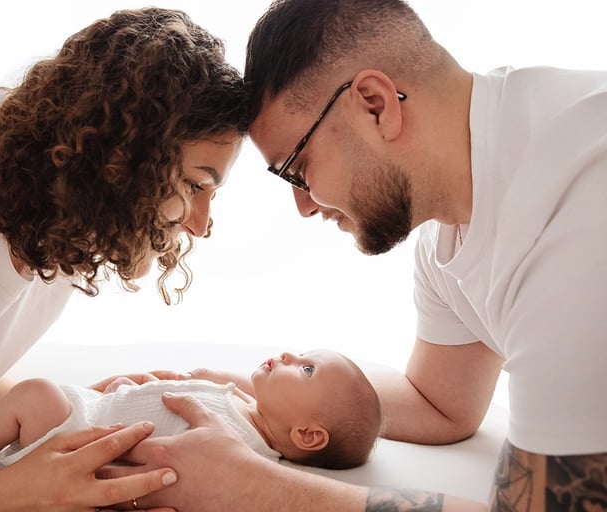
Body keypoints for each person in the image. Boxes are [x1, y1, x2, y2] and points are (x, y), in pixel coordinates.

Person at [103, 0, 607, 511]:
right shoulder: (450, 233)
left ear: (374, 104)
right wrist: (233, 395)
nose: (303, 205)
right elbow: (441, 405)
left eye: (297, 169)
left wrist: (250, 485)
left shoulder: (579, 205)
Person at [0, 7, 247, 510]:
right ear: (121, 161)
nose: (201, 224)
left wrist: (80, 412)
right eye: (195, 185)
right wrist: (10, 491)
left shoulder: (60, 235)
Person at [0, 349, 380, 472]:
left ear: (308, 435)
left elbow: (161, 452)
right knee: (36, 394)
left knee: (34, 393)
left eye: (305, 370)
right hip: (97, 409)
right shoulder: (246, 406)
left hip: (81, 438)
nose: (287, 355)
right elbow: (163, 408)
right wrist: (129, 391)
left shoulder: (239, 447)